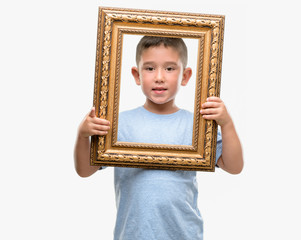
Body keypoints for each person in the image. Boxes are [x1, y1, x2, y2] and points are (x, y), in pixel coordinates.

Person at [74, 36, 243, 240]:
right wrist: (83, 135)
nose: (159, 77)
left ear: (185, 76)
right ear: (136, 75)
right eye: (150, 68)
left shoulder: (197, 125)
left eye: (170, 68)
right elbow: (84, 170)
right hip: (133, 234)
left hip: (184, 234)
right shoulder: (119, 123)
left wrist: (227, 123)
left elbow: (233, 166)